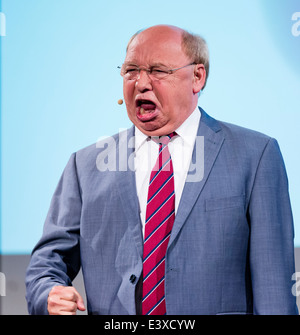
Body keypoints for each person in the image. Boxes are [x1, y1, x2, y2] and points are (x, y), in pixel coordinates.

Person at [25, 24, 298, 315]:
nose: (141, 83)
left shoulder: (255, 155)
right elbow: (47, 263)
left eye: (157, 71)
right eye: (131, 70)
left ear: (197, 76)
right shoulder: (86, 166)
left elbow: (274, 292)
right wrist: (47, 293)